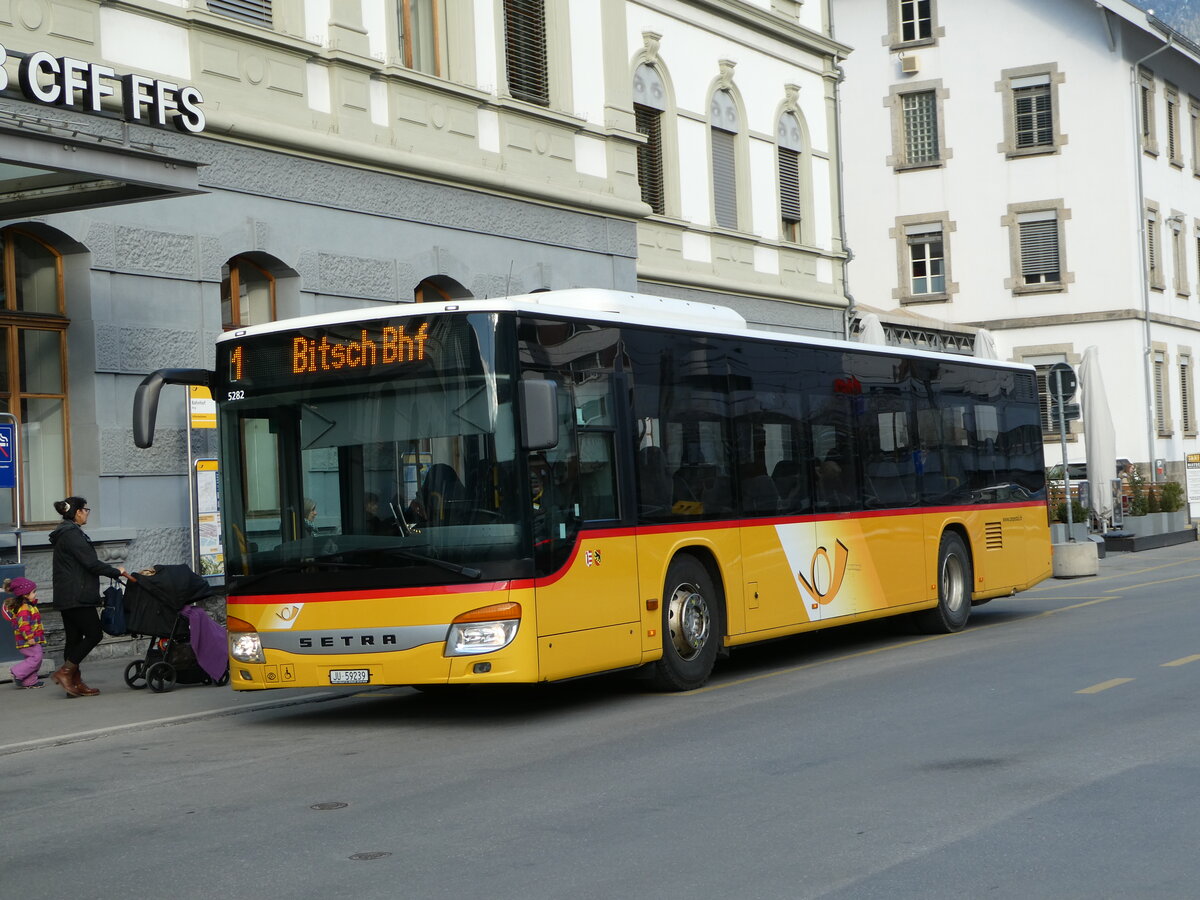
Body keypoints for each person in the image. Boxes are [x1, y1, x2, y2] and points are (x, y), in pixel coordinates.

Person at [48, 496, 126, 698]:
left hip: (68, 593)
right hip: (77, 594)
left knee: (73, 639)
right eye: (85, 509)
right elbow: (91, 563)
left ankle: (73, 683)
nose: (87, 513)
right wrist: (116, 571)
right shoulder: (72, 534)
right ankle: (65, 673)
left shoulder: (66, 532)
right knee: (94, 634)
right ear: (77, 512)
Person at [5, 576, 45, 689]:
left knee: (33, 659)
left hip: (32, 639)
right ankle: (17, 672)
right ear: (25, 594)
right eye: (33, 592)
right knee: (36, 658)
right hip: (28, 640)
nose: (35, 594)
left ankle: (29, 681)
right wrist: (29, 637)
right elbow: (24, 625)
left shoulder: (29, 606)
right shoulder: (24, 608)